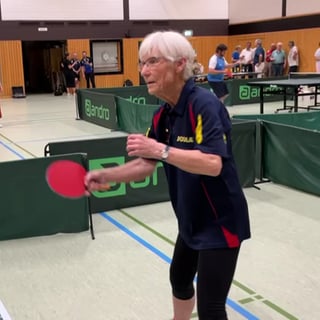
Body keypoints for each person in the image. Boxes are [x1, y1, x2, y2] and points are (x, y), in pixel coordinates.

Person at [85, 30, 251, 320]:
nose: (144, 71)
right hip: (190, 218)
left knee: (211, 307)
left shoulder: (205, 105)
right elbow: (145, 163)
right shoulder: (164, 115)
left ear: (179, 64)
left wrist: (161, 149)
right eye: (141, 63)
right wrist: (108, 176)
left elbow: (213, 163)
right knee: (180, 279)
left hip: (220, 222)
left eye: (152, 61)